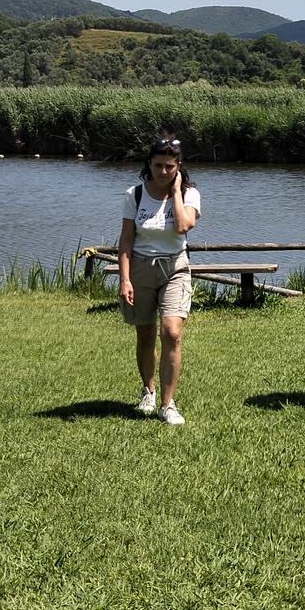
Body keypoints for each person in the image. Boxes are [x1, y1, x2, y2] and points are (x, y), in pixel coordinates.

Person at [117, 136, 201, 423]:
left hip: (175, 268)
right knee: (145, 336)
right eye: (157, 166)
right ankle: (148, 391)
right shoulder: (135, 194)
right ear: (148, 165)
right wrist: (124, 279)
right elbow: (126, 241)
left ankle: (168, 404)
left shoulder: (190, 194)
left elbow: (181, 226)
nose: (163, 172)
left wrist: (176, 192)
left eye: (169, 166)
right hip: (139, 268)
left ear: (178, 167)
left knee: (172, 332)